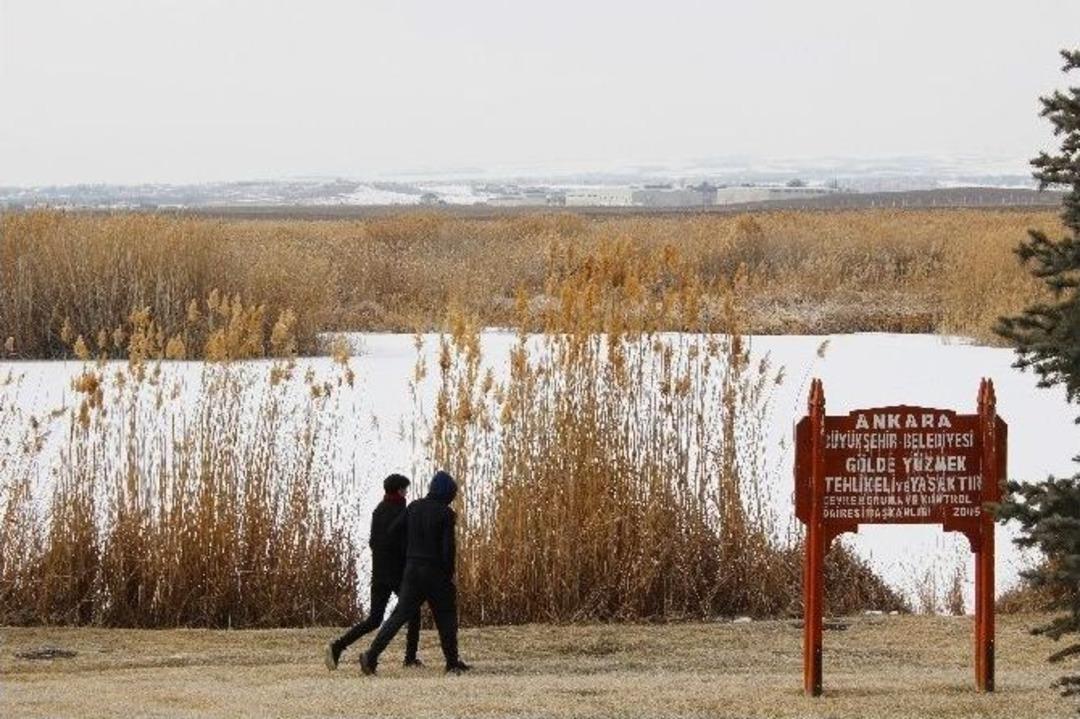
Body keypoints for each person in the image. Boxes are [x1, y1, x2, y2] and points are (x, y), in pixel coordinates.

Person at [359, 470, 471, 675]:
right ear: (447, 493)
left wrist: (409, 553)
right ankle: (452, 663)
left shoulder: (414, 507)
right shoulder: (446, 514)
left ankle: (371, 656)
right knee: (445, 616)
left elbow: (393, 531)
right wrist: (448, 575)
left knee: (399, 616)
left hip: (412, 571)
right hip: (435, 572)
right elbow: (448, 550)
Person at [325, 473, 422, 670]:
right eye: (405, 489)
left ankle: (338, 646)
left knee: (374, 619)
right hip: (396, 573)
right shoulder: (401, 511)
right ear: (399, 490)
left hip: (379, 572)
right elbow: (403, 543)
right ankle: (410, 658)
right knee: (413, 611)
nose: (406, 492)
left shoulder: (378, 510)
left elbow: (373, 542)